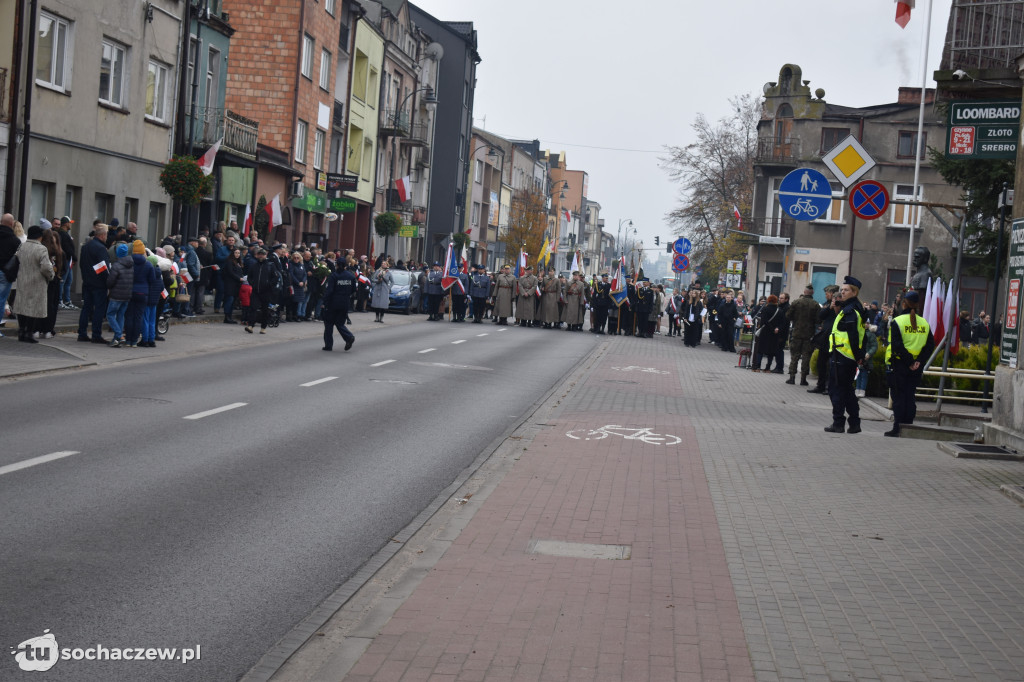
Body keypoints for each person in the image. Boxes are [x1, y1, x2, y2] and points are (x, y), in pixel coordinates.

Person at [884, 290, 935, 437]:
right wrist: (918, 361)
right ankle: (909, 426)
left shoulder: (898, 321)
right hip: (916, 368)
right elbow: (930, 345)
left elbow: (897, 345)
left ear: (904, 303)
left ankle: (898, 427)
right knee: (910, 396)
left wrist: (910, 362)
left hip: (900, 365)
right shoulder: (924, 323)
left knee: (899, 397)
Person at [824, 276, 867, 434]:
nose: (842, 292)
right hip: (845, 356)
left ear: (854, 292)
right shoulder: (853, 308)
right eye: (841, 290)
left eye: (845, 290)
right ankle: (854, 424)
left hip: (842, 356)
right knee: (847, 391)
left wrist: (859, 356)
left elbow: (854, 336)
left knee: (836, 391)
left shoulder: (850, 312)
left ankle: (838, 423)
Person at [12, 225, 55, 343]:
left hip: (22, 280)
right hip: (37, 282)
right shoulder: (41, 249)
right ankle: (29, 333)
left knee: (22, 306)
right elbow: (46, 267)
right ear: (40, 236)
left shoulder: (22, 246)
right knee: (33, 308)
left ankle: (21, 330)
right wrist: (51, 276)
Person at [78, 223, 110, 343]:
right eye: (106, 234)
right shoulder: (100, 248)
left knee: (86, 308)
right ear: (103, 235)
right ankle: (96, 335)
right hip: (99, 284)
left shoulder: (86, 246)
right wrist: (108, 281)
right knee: (99, 309)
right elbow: (103, 267)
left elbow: (82, 264)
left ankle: (82, 333)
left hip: (87, 282)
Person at [808, 285, 839, 393]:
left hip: (835, 338)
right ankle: (820, 385)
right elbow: (821, 315)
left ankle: (828, 386)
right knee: (821, 363)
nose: (826, 295)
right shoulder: (827, 304)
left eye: (827, 293)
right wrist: (829, 308)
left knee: (831, 364)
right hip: (825, 337)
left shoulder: (841, 305)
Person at [786, 284, 819, 386]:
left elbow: (788, 315)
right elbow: (818, 319)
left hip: (797, 332)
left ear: (804, 292)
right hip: (809, 334)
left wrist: (795, 320)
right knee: (806, 357)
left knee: (794, 356)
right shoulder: (815, 304)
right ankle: (803, 379)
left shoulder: (796, 302)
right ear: (812, 292)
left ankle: (792, 377)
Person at [105, 242, 135, 347]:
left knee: (110, 314)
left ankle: (119, 335)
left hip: (116, 295)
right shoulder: (131, 265)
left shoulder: (116, 265)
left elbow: (110, 281)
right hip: (127, 295)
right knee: (121, 316)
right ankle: (116, 339)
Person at [321, 263, 356, 351]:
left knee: (329, 324)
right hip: (345, 303)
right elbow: (354, 289)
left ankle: (328, 345)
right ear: (345, 266)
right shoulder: (351, 276)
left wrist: (324, 301)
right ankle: (348, 337)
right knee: (340, 323)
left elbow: (330, 290)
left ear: (337, 266)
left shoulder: (334, 276)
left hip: (333, 303)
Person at [245, 247, 280, 334]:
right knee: (253, 308)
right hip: (256, 291)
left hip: (266, 291)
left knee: (265, 310)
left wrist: (269, 285)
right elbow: (250, 276)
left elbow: (275, 277)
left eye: (262, 254)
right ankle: (250, 325)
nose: (261, 256)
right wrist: (252, 283)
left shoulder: (270, 265)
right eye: (259, 254)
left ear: (266, 255)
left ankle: (263, 327)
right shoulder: (254, 265)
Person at [36, 228, 64, 338]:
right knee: (51, 306)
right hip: (54, 281)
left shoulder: (41, 250)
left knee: (40, 305)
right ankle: (48, 329)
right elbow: (62, 268)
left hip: (42, 280)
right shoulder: (58, 252)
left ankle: (37, 329)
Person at [754, 295, 783, 371]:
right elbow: (781, 322)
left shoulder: (765, 309)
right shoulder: (779, 310)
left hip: (765, 332)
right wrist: (776, 328)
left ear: (768, 301)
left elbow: (764, 321)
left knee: (760, 350)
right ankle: (767, 368)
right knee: (771, 351)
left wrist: (771, 328)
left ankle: (757, 366)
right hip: (774, 334)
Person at [222, 248, 244, 324]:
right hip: (230, 284)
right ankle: (227, 316)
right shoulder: (229, 262)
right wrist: (239, 278)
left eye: (238, 253)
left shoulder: (238, 262)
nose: (237, 254)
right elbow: (230, 272)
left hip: (236, 285)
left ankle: (230, 316)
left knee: (233, 301)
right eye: (236, 253)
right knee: (229, 300)